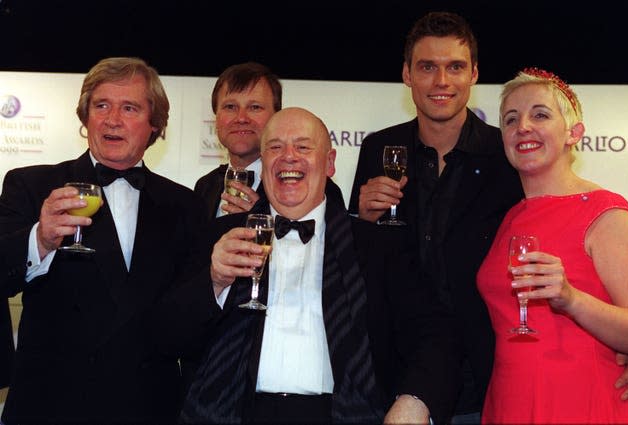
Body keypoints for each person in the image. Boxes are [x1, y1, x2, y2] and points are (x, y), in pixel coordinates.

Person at [152, 107, 458, 424]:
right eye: (275, 147)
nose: (288, 157)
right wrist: (214, 281)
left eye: (302, 146)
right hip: (234, 414)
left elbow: (436, 333)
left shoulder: (376, 246)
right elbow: (167, 336)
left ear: (329, 163)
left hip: (344, 416)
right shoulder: (221, 236)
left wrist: (415, 402)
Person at [0, 57, 210, 424]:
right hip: (51, 406)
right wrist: (41, 239)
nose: (113, 119)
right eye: (101, 106)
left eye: (129, 108)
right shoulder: (31, 185)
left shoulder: (185, 205)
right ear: (85, 118)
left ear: (155, 125)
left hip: (148, 406)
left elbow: (189, 316)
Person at [348, 11, 524, 423]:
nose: (441, 81)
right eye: (427, 67)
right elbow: (360, 260)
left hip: (487, 374)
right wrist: (362, 219)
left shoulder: (505, 155)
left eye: (455, 67)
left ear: (474, 74)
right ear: (407, 74)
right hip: (394, 370)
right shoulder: (380, 148)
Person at [476, 67, 628, 424]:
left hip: (582, 403)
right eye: (510, 119)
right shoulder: (511, 217)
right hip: (510, 401)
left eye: (540, 115)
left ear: (573, 133)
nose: (523, 128)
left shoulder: (605, 212)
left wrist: (572, 299)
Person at [193, 61, 344, 218]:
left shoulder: (318, 187)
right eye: (230, 107)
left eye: (255, 107)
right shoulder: (205, 186)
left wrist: (264, 217)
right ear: (215, 117)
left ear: (276, 116)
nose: (241, 118)